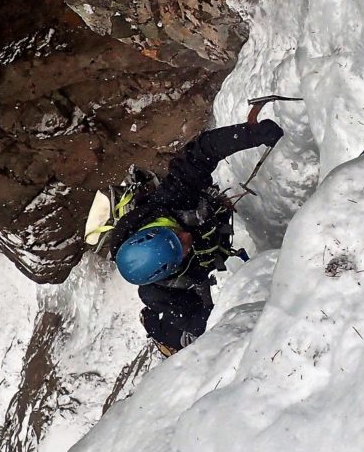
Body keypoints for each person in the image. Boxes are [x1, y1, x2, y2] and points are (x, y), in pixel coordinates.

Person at [107, 119, 284, 357]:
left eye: (173, 234)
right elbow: (204, 323)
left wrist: (250, 134)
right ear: (170, 270)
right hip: (180, 295)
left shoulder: (172, 200)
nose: (186, 236)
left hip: (211, 240)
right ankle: (154, 326)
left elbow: (202, 151)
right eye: (181, 248)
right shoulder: (163, 291)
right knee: (181, 335)